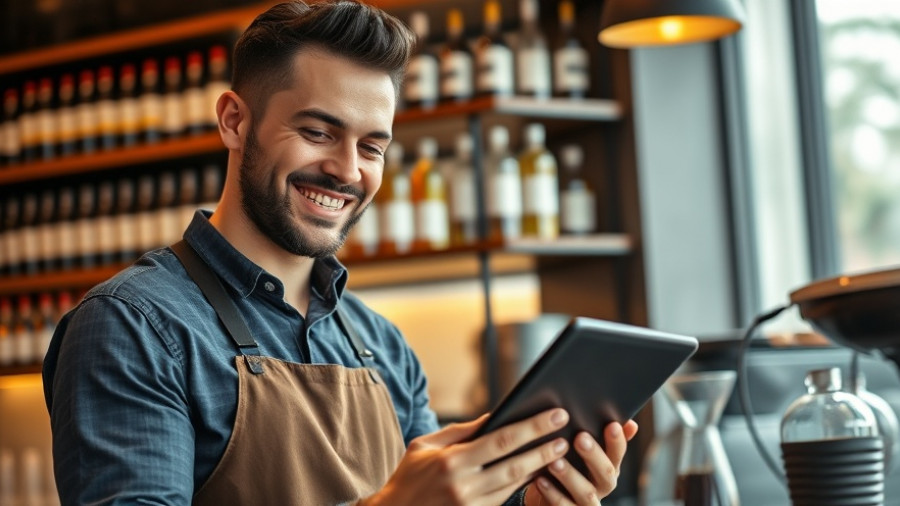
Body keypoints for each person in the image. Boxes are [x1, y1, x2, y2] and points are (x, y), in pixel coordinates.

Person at [42, 1, 638, 504]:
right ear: (234, 122)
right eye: (318, 133)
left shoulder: (382, 346)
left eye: (372, 147)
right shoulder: (131, 325)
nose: (347, 171)